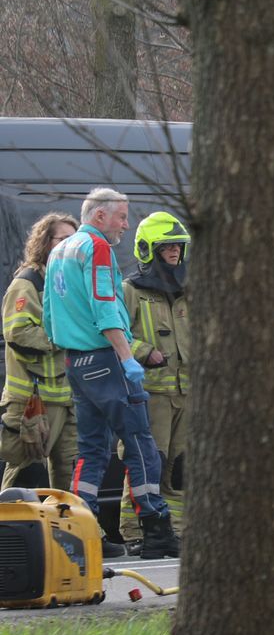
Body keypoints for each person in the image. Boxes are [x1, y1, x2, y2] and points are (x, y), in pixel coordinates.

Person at [42, 188, 176, 559]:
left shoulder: (58, 250)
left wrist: (73, 349)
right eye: (121, 217)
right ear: (100, 216)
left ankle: (82, 532)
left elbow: (49, 316)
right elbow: (105, 308)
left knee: (91, 450)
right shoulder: (97, 248)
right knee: (140, 443)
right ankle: (156, 530)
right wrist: (126, 356)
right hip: (105, 358)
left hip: (75, 361)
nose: (126, 224)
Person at [123, 211, 192, 533]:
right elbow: (112, 331)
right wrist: (142, 352)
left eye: (178, 246)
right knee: (148, 463)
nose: (175, 252)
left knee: (180, 467)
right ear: (149, 250)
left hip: (186, 393)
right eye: (167, 247)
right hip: (150, 395)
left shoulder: (187, 292)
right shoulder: (131, 291)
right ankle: (136, 530)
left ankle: (175, 529)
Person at [2, 213, 80, 493]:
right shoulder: (28, 283)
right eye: (63, 239)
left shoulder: (70, 283)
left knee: (70, 479)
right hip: (34, 403)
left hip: (68, 397)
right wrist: (64, 335)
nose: (70, 246)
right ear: (46, 243)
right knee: (25, 480)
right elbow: (18, 333)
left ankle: (68, 535)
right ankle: (9, 536)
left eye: (75, 241)